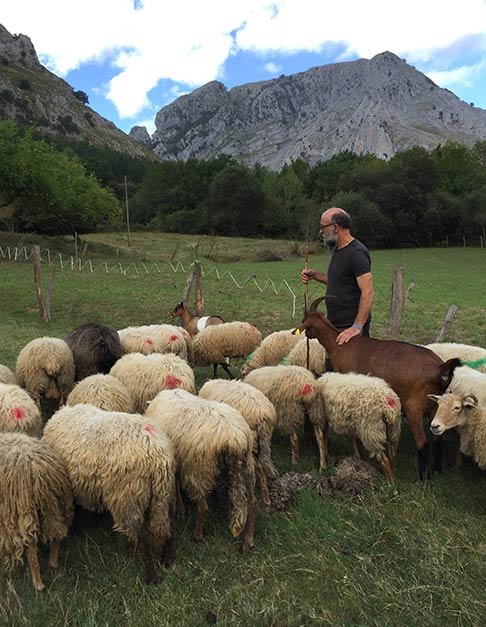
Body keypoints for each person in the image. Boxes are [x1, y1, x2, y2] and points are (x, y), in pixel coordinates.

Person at [300, 207, 374, 367]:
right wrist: (316, 275)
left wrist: (356, 327)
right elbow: (341, 281)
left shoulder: (357, 254)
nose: (321, 232)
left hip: (350, 327)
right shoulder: (339, 251)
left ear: (335, 227)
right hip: (335, 324)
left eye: (323, 227)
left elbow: (367, 292)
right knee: (333, 368)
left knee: (349, 375)